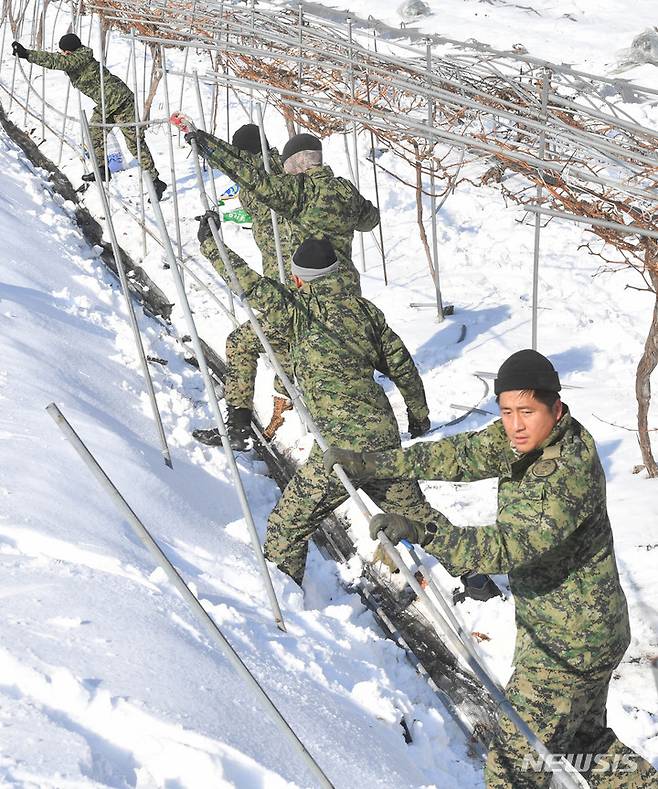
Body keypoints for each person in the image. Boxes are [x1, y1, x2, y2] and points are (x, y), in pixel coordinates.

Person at [323, 349, 657, 788]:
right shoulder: (533, 436)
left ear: (556, 409)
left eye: (527, 412)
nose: (515, 424)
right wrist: (375, 464)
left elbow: (508, 546)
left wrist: (424, 532)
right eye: (506, 411)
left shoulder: (565, 471)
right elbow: (460, 454)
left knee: (512, 767)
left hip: (568, 646)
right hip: (577, 633)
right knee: (586, 743)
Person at [198, 212, 440, 585]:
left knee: (285, 529)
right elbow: (403, 367)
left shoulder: (296, 309)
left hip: (340, 448)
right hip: (384, 439)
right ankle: (475, 578)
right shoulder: (365, 312)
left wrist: (210, 243)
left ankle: (290, 607)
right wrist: (418, 415)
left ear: (297, 278)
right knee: (419, 517)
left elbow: (244, 280)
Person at [171, 112, 379, 295]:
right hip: (345, 285)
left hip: (300, 282)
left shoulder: (296, 188)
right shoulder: (345, 190)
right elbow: (370, 221)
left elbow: (243, 169)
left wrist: (202, 142)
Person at [191, 124, 295, 449]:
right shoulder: (284, 176)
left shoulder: (257, 180)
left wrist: (212, 243)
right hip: (301, 289)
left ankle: (237, 430)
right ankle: (268, 410)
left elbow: (243, 180)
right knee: (276, 348)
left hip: (287, 298)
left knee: (240, 343)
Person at [12, 34, 166, 199]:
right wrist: (27, 54)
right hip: (106, 105)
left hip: (121, 101)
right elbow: (58, 58)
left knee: (134, 143)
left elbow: (56, 61)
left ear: (69, 52)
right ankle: (102, 170)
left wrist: (27, 54)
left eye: (63, 51)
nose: (61, 54)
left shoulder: (78, 59)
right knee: (93, 136)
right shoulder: (77, 57)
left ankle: (156, 181)